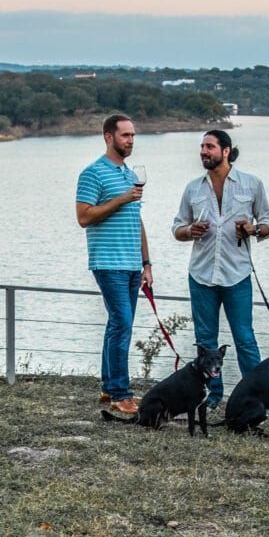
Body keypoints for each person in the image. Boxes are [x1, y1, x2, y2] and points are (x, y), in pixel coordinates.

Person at [171, 129, 269, 409]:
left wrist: (254, 229)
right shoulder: (193, 188)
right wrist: (189, 230)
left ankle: (255, 398)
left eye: (209, 147)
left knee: (244, 339)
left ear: (226, 151)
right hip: (201, 275)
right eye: (202, 147)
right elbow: (177, 228)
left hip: (237, 275)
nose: (204, 152)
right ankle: (211, 396)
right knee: (205, 342)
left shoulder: (251, 184)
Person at [75, 114, 153, 416]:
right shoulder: (92, 173)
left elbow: (137, 221)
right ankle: (122, 393)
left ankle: (109, 388)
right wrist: (121, 199)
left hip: (132, 264)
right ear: (109, 137)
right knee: (122, 324)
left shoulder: (129, 174)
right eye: (125, 135)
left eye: (133, 135)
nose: (131, 140)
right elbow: (84, 217)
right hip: (108, 262)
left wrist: (146, 262)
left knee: (118, 325)